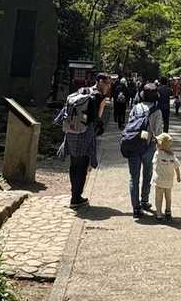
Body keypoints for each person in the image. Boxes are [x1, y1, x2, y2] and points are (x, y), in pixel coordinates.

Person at [55, 72, 112, 208]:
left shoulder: (82, 91)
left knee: (74, 165)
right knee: (83, 166)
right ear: (100, 82)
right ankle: (76, 198)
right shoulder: (99, 97)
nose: (108, 86)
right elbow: (98, 117)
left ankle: (74, 194)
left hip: (71, 131)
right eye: (107, 83)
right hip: (85, 133)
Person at [121, 82, 164, 218]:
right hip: (148, 146)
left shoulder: (135, 108)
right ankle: (144, 200)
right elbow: (158, 132)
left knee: (133, 177)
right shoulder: (157, 111)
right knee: (147, 174)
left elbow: (130, 124)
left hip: (133, 144)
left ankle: (136, 207)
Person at [153, 131, 181, 220]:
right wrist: (178, 176)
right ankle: (168, 212)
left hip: (159, 181)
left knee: (158, 198)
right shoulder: (172, 156)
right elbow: (177, 167)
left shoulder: (157, 154)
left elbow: (153, 163)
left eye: (157, 142)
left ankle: (159, 214)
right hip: (169, 181)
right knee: (168, 198)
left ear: (160, 145)